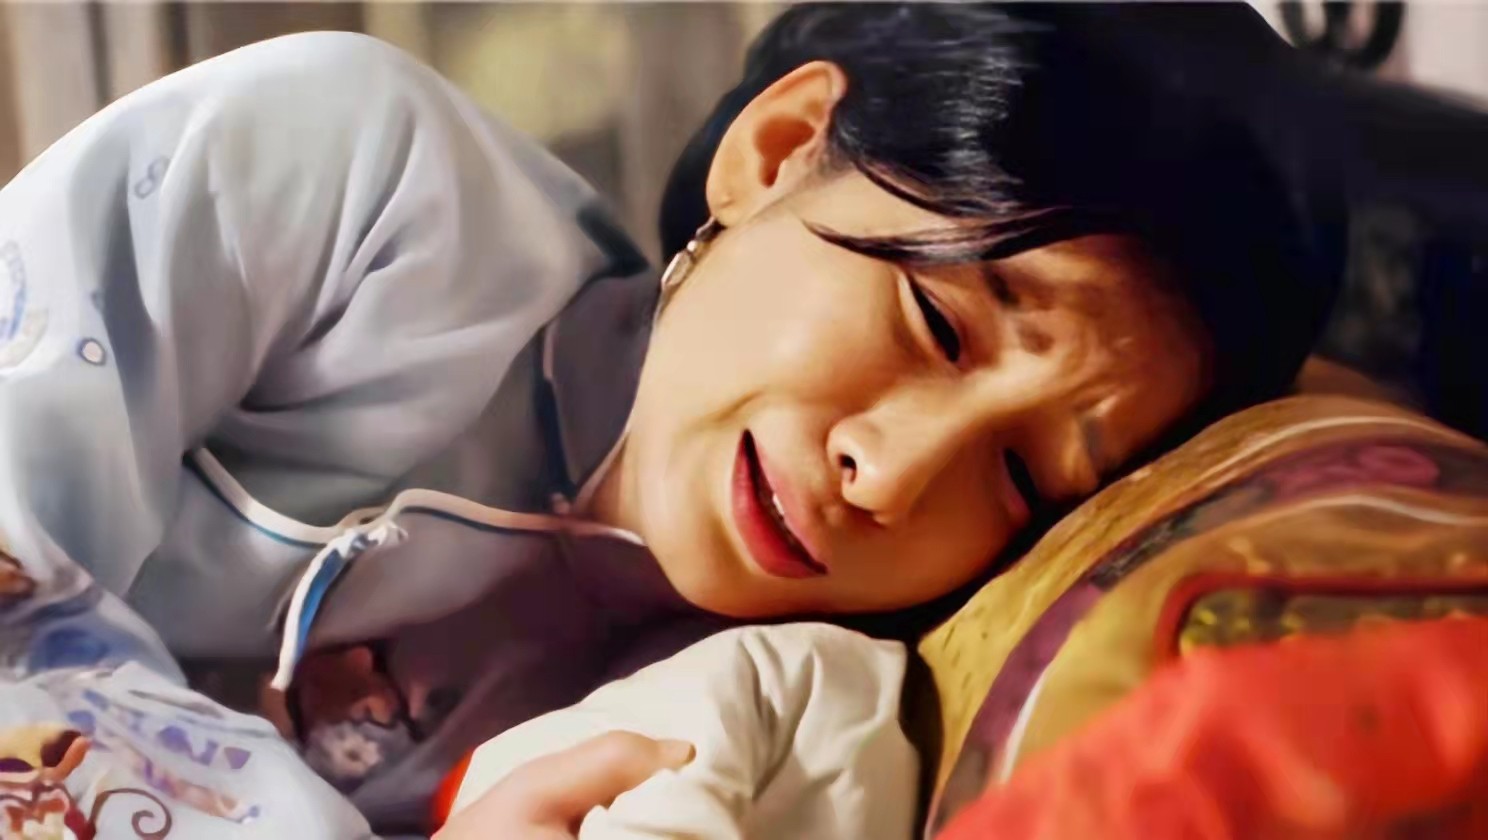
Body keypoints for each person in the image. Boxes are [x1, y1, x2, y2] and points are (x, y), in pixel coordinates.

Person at [0, 3, 1334, 837]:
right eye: (938, 325)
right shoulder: (362, 178)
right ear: (778, 150)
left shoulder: (772, 714)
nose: (891, 474)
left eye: (1024, 478)